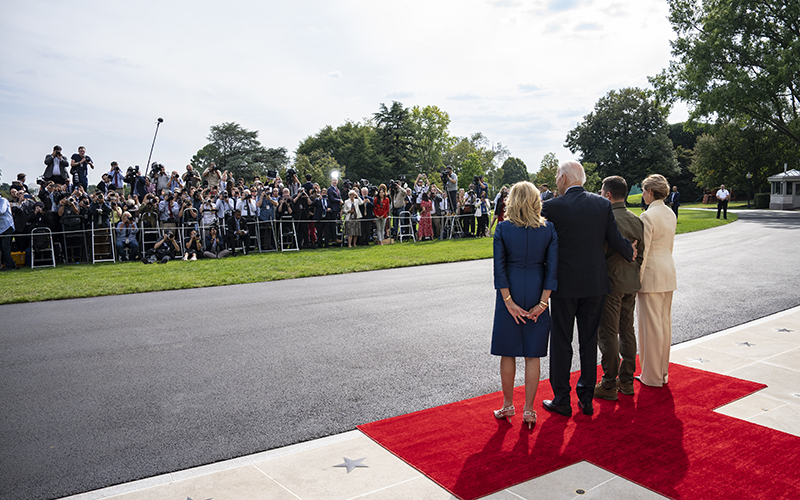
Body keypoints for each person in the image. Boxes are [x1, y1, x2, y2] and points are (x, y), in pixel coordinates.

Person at [541, 161, 636, 418]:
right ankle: (585, 399)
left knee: (561, 341)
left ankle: (562, 397)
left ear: (562, 178)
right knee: (588, 340)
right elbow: (615, 239)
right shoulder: (602, 204)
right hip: (595, 284)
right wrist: (630, 251)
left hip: (563, 285)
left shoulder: (551, 206)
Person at [491, 181, 558, 429]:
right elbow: (553, 268)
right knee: (533, 354)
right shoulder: (548, 229)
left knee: (508, 351)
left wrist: (508, 301)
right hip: (538, 291)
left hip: (510, 291)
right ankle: (529, 410)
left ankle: (508, 404)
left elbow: (499, 269)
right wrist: (543, 303)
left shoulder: (503, 229)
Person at [594, 176, 645, 401]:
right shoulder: (636, 219)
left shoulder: (605, 218)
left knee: (608, 333)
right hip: (631, 281)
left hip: (611, 283)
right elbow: (640, 254)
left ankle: (608, 382)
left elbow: (599, 253)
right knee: (627, 330)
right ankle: (627, 380)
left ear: (607, 195)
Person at [637, 174, 677, 387]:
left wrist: (638, 280)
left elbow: (644, 253)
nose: (643, 195)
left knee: (650, 327)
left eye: (644, 191)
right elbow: (669, 246)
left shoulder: (647, 216)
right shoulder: (670, 213)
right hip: (667, 271)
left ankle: (651, 376)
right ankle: (661, 372)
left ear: (651, 192)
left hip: (651, 275)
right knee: (664, 324)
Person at [0, 195, 16, 271]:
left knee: (5, 247)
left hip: (7, 227)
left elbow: (1, 210)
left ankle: (9, 266)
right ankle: (12, 264)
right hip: (1, 228)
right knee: (3, 247)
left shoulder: (3, 200)